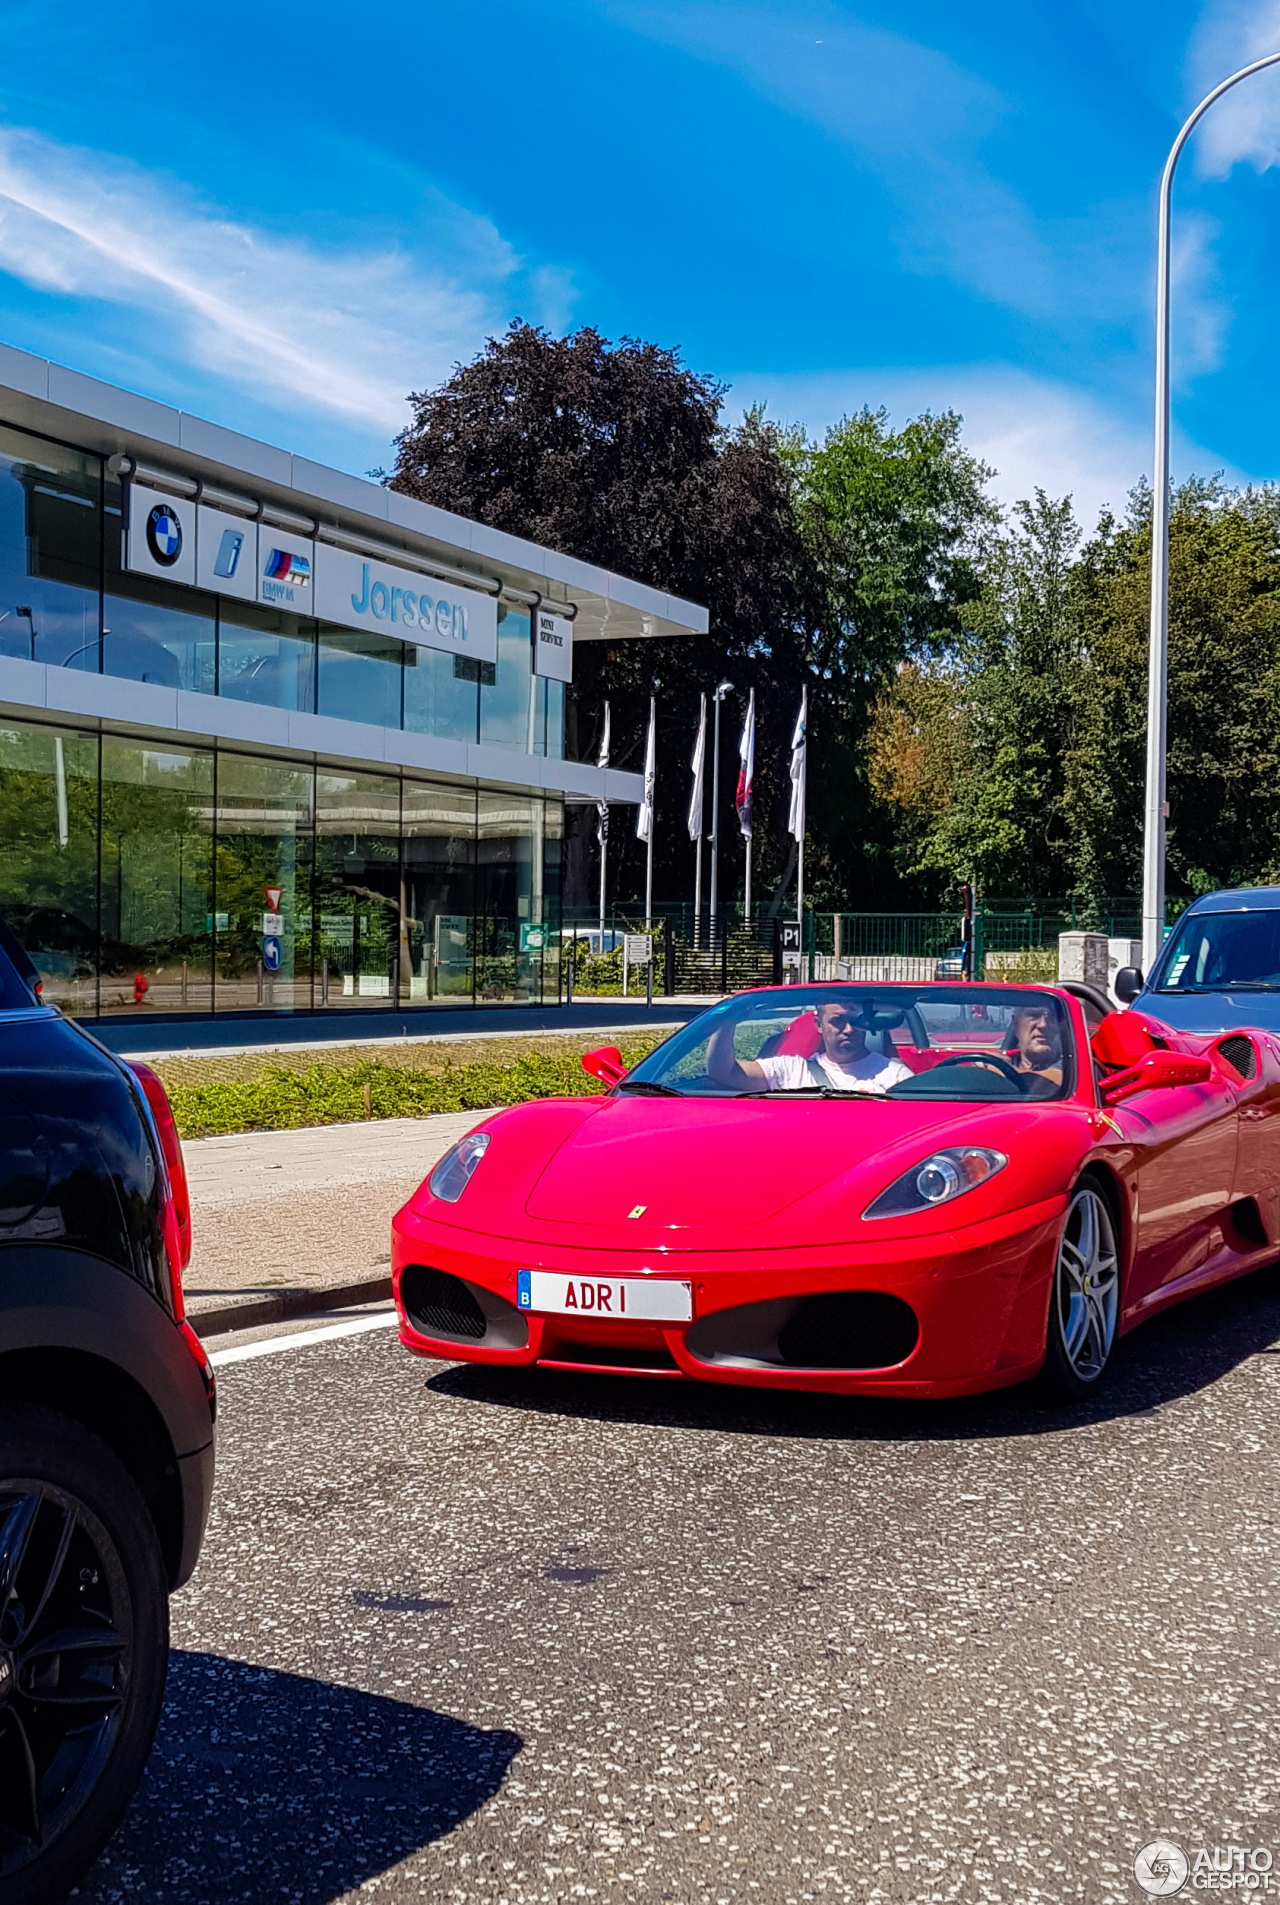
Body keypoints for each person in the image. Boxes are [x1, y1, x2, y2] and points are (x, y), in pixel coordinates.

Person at [707, 1000, 913, 1094]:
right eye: (838, 1020)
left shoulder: (896, 1076)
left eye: (856, 1020)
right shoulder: (791, 1070)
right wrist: (728, 1021)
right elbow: (723, 1071)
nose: (849, 1029)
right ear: (818, 1025)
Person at [1007, 1001, 1064, 1094]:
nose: (1043, 1024)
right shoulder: (1007, 1060)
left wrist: (995, 1070)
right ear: (1016, 1024)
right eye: (1034, 1016)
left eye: (1052, 1017)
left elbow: (1041, 1082)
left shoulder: (1071, 1066)